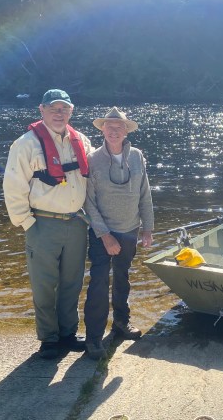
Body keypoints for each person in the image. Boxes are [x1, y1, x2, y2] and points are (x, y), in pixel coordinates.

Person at [3, 89, 93, 359]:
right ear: (41, 110)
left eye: (64, 109)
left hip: (77, 223)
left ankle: (68, 333)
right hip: (42, 223)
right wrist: (26, 222)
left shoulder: (83, 141)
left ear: (71, 111)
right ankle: (49, 338)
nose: (59, 113)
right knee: (44, 285)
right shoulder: (25, 144)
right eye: (53, 108)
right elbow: (13, 186)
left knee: (72, 283)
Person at [83, 107, 154, 360]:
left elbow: (144, 193)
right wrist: (104, 235)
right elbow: (88, 202)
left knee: (123, 278)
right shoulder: (91, 159)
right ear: (102, 129)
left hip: (130, 229)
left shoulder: (136, 156)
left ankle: (122, 324)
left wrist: (147, 228)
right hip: (103, 233)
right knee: (99, 284)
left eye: (119, 127)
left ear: (126, 131)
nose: (114, 130)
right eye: (109, 126)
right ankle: (93, 339)